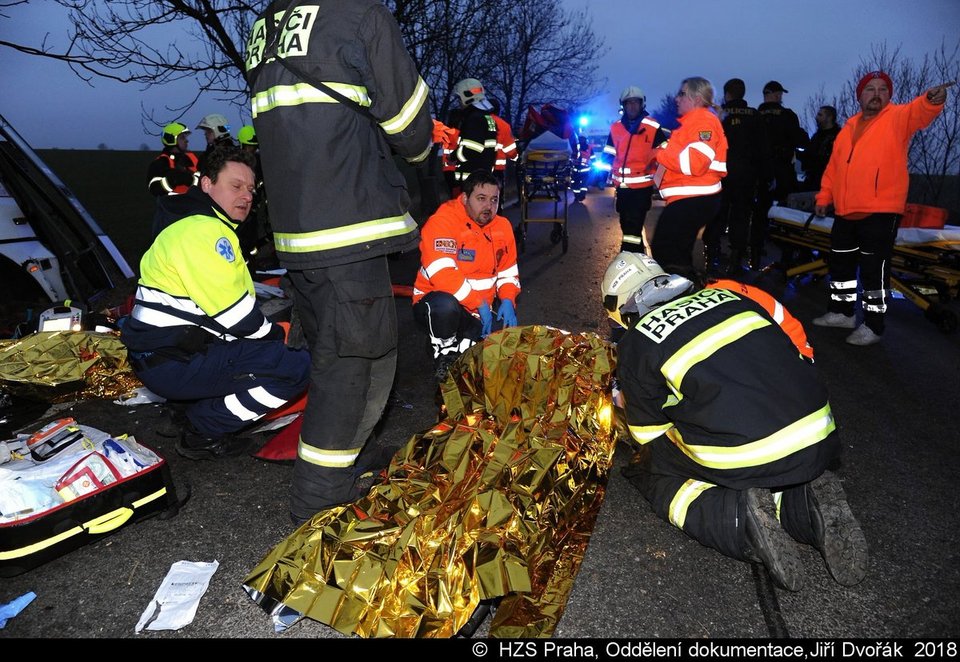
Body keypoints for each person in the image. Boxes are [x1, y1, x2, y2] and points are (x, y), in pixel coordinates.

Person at [246, 0, 433, 524]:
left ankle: (349, 458)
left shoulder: (267, 26)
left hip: (299, 235)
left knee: (364, 350)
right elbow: (413, 131)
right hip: (349, 229)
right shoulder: (359, 16)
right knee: (348, 366)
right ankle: (317, 499)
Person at [602, 251, 868, 591]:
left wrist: (625, 399)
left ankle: (739, 519)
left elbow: (648, 434)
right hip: (819, 430)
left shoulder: (639, 340)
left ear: (621, 307)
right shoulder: (728, 296)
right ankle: (803, 506)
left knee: (653, 470)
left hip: (753, 449)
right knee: (735, 429)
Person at [121, 145, 310, 460]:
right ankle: (204, 429)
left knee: (255, 352)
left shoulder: (189, 224)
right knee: (295, 367)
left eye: (251, 189)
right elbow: (237, 318)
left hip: (164, 356)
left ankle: (186, 409)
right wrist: (278, 337)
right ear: (206, 184)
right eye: (235, 186)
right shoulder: (205, 232)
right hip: (174, 362)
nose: (247, 196)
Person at [812, 72, 949, 346]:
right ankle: (842, 313)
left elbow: (919, 112)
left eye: (882, 89)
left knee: (874, 270)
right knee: (841, 267)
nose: (876, 93)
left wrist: (931, 100)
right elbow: (834, 169)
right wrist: (824, 197)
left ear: (889, 95)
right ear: (860, 96)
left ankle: (873, 326)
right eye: (870, 89)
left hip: (881, 211)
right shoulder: (848, 128)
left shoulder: (897, 118)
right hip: (845, 212)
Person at [412, 170, 520, 382]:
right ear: (464, 199)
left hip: (479, 311)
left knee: (504, 356)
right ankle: (444, 353)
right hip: (436, 304)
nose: (488, 206)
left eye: (494, 200)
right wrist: (478, 303)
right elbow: (442, 273)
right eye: (481, 199)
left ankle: (460, 342)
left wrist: (508, 299)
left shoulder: (502, 226)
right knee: (445, 307)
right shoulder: (443, 221)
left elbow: (508, 271)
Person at [650, 77, 728, 280]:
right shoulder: (692, 123)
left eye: (682, 93)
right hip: (690, 199)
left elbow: (694, 164)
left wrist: (661, 151)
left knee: (667, 253)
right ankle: (685, 292)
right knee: (673, 253)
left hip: (694, 199)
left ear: (696, 98)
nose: (677, 98)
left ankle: (685, 295)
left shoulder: (704, 122)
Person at [704, 78, 771, 275]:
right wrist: (765, 177)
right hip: (746, 177)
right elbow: (763, 149)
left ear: (727, 94)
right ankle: (735, 260)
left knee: (717, 216)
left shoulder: (718, 115)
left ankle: (712, 258)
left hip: (720, 176)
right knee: (740, 218)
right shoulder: (754, 116)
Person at [600, 86, 667, 253]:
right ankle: (635, 254)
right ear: (623, 105)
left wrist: (661, 179)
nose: (632, 106)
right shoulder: (615, 128)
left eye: (635, 103)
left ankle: (630, 253)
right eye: (628, 103)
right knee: (625, 223)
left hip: (642, 188)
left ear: (642, 104)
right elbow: (608, 153)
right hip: (622, 188)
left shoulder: (652, 127)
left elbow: (665, 154)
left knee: (634, 225)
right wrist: (602, 175)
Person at [757, 81, 809, 268]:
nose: (781, 97)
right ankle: (787, 252)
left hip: (761, 170)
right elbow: (800, 138)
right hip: (782, 169)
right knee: (788, 209)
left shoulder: (756, 116)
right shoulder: (787, 115)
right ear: (772, 94)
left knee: (760, 210)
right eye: (779, 93)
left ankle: (756, 249)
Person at [452, 78, 499, 189]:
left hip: (471, 180)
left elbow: (472, 149)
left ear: (466, 97)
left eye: (459, 98)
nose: (459, 102)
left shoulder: (474, 119)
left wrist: (454, 156)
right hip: (483, 178)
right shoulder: (488, 118)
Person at [146, 122, 199, 198]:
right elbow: (154, 189)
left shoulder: (192, 158)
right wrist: (172, 180)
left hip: (195, 207)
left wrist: (190, 179)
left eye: (185, 137)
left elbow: (205, 182)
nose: (186, 141)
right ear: (171, 140)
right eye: (182, 138)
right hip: (170, 208)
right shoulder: (160, 163)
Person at [799, 105, 841, 192]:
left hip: (829, 182)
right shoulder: (816, 137)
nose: (816, 117)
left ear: (829, 117)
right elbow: (809, 155)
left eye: (820, 115)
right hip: (813, 180)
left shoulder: (839, 137)